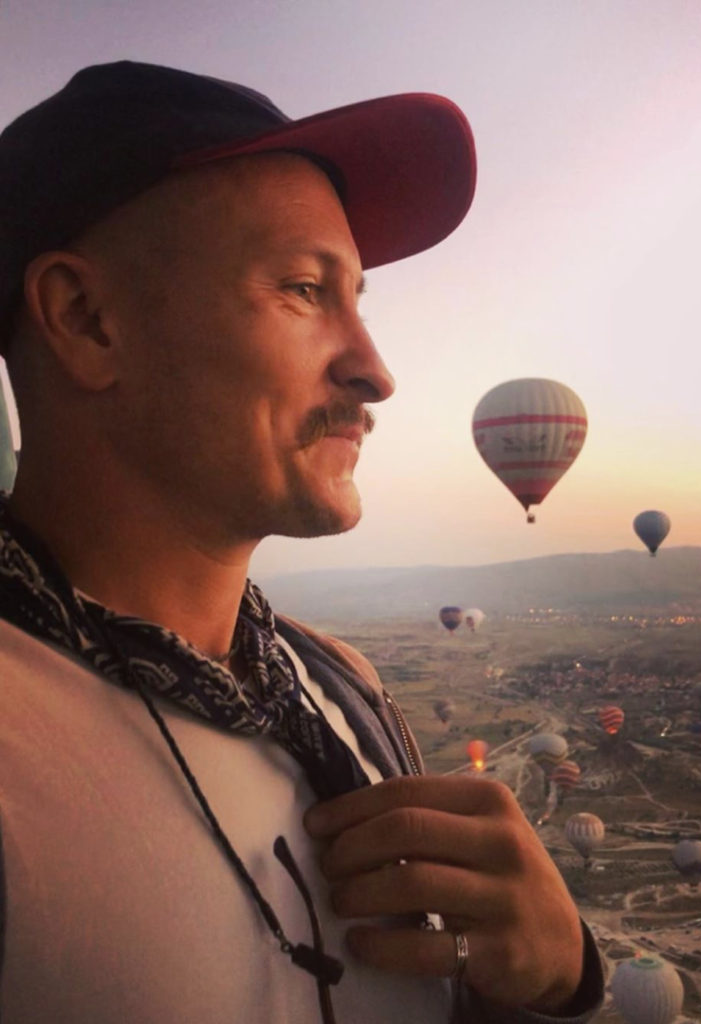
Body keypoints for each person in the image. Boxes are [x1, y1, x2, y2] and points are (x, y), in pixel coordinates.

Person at [0, 62, 604, 1023]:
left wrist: (551, 982)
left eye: (360, 300)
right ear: (86, 320)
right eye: (301, 289)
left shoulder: (343, 691)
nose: (374, 371)